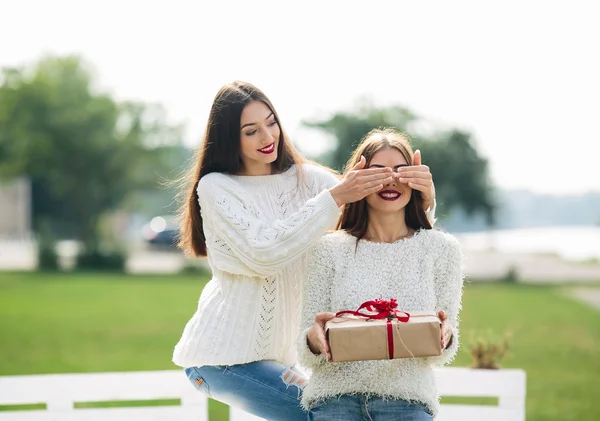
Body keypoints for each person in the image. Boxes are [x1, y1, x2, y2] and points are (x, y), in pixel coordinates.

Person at [172, 81, 436, 421]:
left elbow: (379, 228)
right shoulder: (217, 188)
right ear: (229, 138)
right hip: (222, 360)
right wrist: (334, 198)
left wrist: (423, 201)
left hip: (283, 359)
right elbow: (264, 253)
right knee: (325, 414)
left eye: (271, 123)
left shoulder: (309, 180)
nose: (267, 138)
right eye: (251, 131)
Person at [299, 128, 464, 421]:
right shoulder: (328, 250)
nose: (391, 180)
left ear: (416, 180)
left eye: (401, 171)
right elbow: (306, 350)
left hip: (408, 404)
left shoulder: (442, 250)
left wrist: (445, 335)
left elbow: (442, 350)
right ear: (358, 179)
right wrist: (314, 339)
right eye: (378, 172)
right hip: (334, 402)